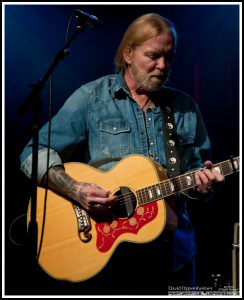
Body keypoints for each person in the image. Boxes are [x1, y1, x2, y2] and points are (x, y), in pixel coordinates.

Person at [20, 13, 225, 295]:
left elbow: (198, 179)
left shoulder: (184, 108)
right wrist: (77, 190)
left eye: (169, 57)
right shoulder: (92, 98)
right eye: (153, 56)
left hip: (172, 254)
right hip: (108, 258)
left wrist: (204, 187)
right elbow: (33, 152)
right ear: (128, 53)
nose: (162, 66)